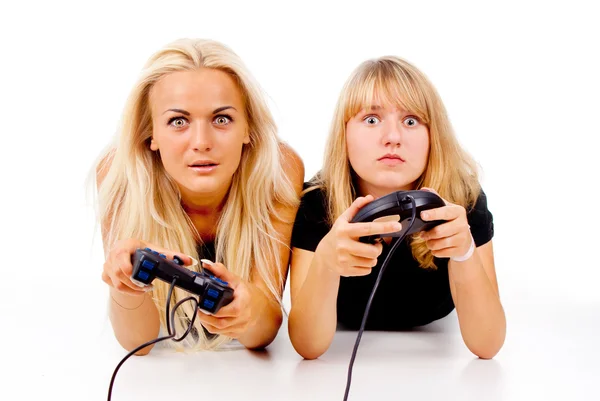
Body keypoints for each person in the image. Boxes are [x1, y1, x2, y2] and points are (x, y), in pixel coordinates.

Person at [94, 38, 304, 355]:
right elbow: (138, 345)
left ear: (248, 128)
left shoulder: (279, 170)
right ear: (151, 134)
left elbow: (264, 331)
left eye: (222, 119)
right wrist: (126, 285)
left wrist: (248, 312)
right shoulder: (119, 175)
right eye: (178, 121)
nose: (202, 142)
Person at [288, 56, 506, 360]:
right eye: (372, 119)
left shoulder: (463, 199)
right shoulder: (316, 203)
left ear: (434, 136)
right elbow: (307, 347)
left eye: (411, 121)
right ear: (345, 133)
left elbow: (488, 345)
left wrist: (465, 252)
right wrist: (325, 260)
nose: (392, 138)